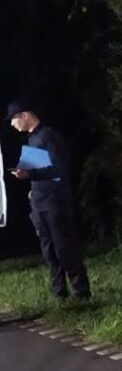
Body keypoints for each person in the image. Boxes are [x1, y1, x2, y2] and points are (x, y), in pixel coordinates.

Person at [6, 99, 91, 301]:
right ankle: (59, 293)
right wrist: (30, 185)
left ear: (25, 115)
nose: (12, 124)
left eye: (14, 119)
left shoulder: (49, 136)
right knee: (49, 251)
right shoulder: (32, 140)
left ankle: (81, 292)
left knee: (65, 248)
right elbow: (37, 173)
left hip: (55, 203)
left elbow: (58, 170)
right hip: (39, 204)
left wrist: (29, 174)